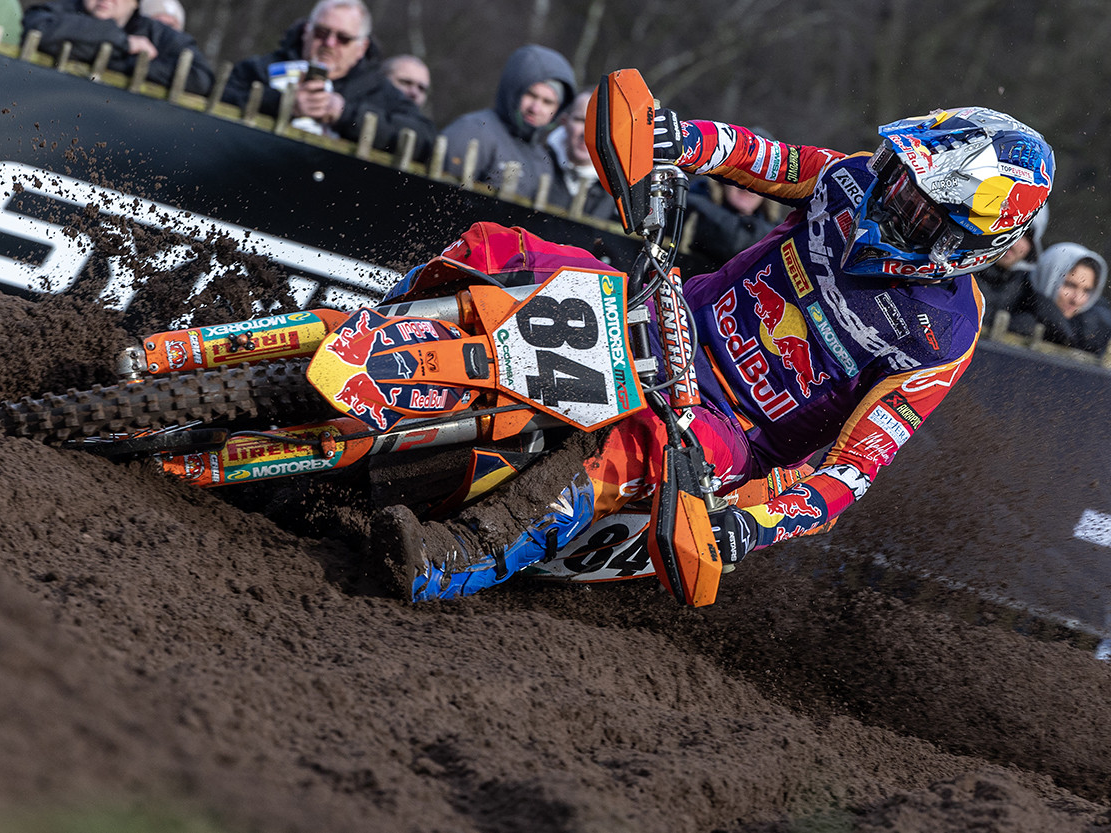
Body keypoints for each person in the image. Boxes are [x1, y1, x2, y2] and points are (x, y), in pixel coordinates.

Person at [374, 104, 1054, 603]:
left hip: (723, 429)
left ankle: (451, 558)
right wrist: (683, 139)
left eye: (922, 209)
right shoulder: (852, 181)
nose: (893, 200)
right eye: (901, 176)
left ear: (968, 245)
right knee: (502, 247)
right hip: (662, 315)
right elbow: (766, 157)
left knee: (620, 446)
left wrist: (750, 528)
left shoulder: (945, 334)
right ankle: (363, 337)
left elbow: (852, 471)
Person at [221, 0, 435, 158]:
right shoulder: (262, 68)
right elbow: (221, 95)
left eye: (343, 38)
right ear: (306, 31)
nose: (330, 43)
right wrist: (282, 104)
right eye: (322, 33)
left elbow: (423, 139)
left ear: (362, 48)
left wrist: (345, 114)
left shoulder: (379, 90)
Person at [440, 44, 575, 202]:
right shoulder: (473, 131)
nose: (536, 108)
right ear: (513, 90)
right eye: (531, 95)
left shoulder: (542, 159)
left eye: (548, 102)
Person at [21, 0, 214, 95]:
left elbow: (200, 78)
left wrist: (126, 64)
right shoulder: (63, 9)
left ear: (135, 3)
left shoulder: (159, 34)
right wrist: (123, 42)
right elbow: (37, 30)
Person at [686, 130, 786, 268]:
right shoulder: (687, 203)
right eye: (742, 174)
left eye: (759, 180)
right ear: (724, 175)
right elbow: (735, 243)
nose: (748, 186)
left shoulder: (777, 230)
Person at [1008, 242, 1111, 353]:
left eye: (1087, 290)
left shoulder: (1092, 330)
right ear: (1049, 276)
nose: (1076, 300)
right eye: (1070, 285)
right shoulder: (1011, 301)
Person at [545, 88, 618, 221]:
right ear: (564, 122)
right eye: (581, 120)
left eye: (598, 125)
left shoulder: (617, 191)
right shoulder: (537, 164)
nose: (587, 133)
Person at [973, 204, 1048, 326]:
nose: (1013, 242)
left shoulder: (1026, 290)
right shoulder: (956, 270)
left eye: (1025, 234)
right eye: (1010, 227)